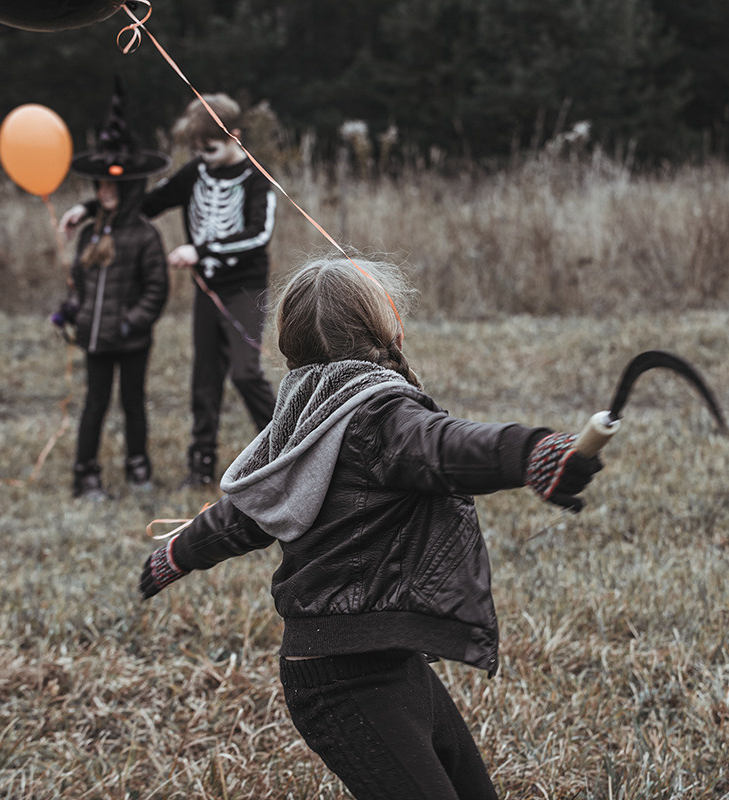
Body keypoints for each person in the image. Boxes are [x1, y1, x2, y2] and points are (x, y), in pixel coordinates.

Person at [137, 255, 603, 799]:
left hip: (392, 663)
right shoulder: (378, 418)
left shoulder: (300, 416)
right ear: (381, 327)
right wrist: (533, 454)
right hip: (342, 681)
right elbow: (447, 446)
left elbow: (236, 518)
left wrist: (174, 555)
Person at [65, 93, 278, 490]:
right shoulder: (194, 172)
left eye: (211, 147)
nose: (204, 155)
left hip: (244, 289)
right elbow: (147, 202)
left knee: (245, 372)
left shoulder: (257, 181)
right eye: (197, 149)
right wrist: (92, 209)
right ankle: (200, 464)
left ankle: (287, 448)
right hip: (206, 289)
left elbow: (257, 235)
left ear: (235, 136)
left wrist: (201, 249)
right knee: (204, 377)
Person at [56, 81, 171, 500]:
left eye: (113, 187)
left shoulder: (144, 236)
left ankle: (138, 467)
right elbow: (81, 284)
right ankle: (85, 474)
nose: (105, 192)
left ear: (128, 190)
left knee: (133, 403)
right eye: (100, 186)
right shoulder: (89, 233)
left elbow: (157, 290)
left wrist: (130, 323)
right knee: (94, 406)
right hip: (94, 338)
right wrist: (70, 310)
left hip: (130, 339)